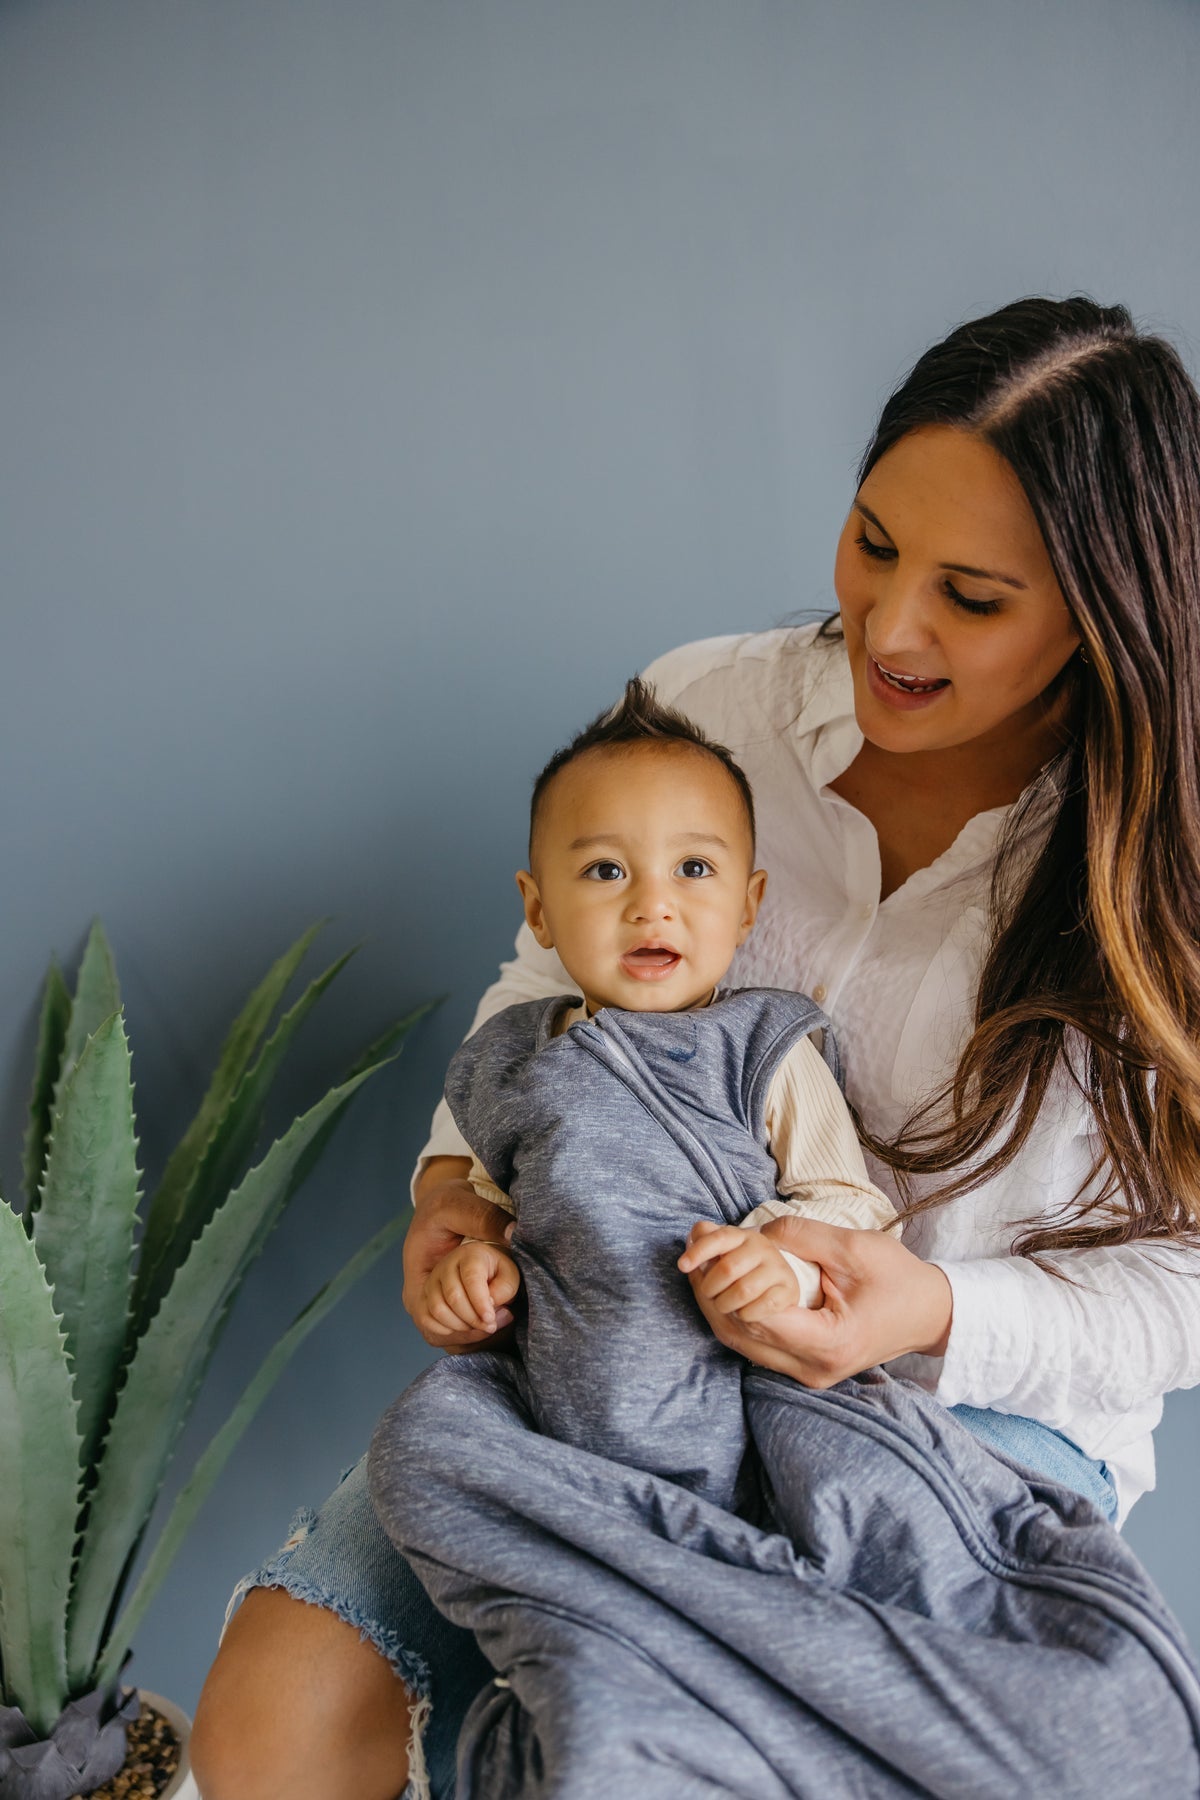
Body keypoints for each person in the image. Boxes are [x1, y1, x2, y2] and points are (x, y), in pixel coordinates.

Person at [191, 296, 1200, 1800]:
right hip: (607, 1373)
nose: (892, 625)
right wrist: (449, 1199)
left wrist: (921, 1307)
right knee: (274, 1718)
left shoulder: (1166, 866)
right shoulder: (712, 704)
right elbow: (543, 985)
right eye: (872, 544)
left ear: (1103, 612)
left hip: (968, 1426)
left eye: (974, 597)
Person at [392, 676, 899, 1518]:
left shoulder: (761, 1051)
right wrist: (475, 1277)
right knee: (415, 1447)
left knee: (854, 1499)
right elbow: (485, 1209)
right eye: (604, 870)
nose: (651, 904)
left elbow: (849, 1204)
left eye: (693, 868)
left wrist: (778, 1260)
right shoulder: (516, 1062)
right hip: (555, 1406)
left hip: (743, 1393)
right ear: (540, 910)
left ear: (748, 907)